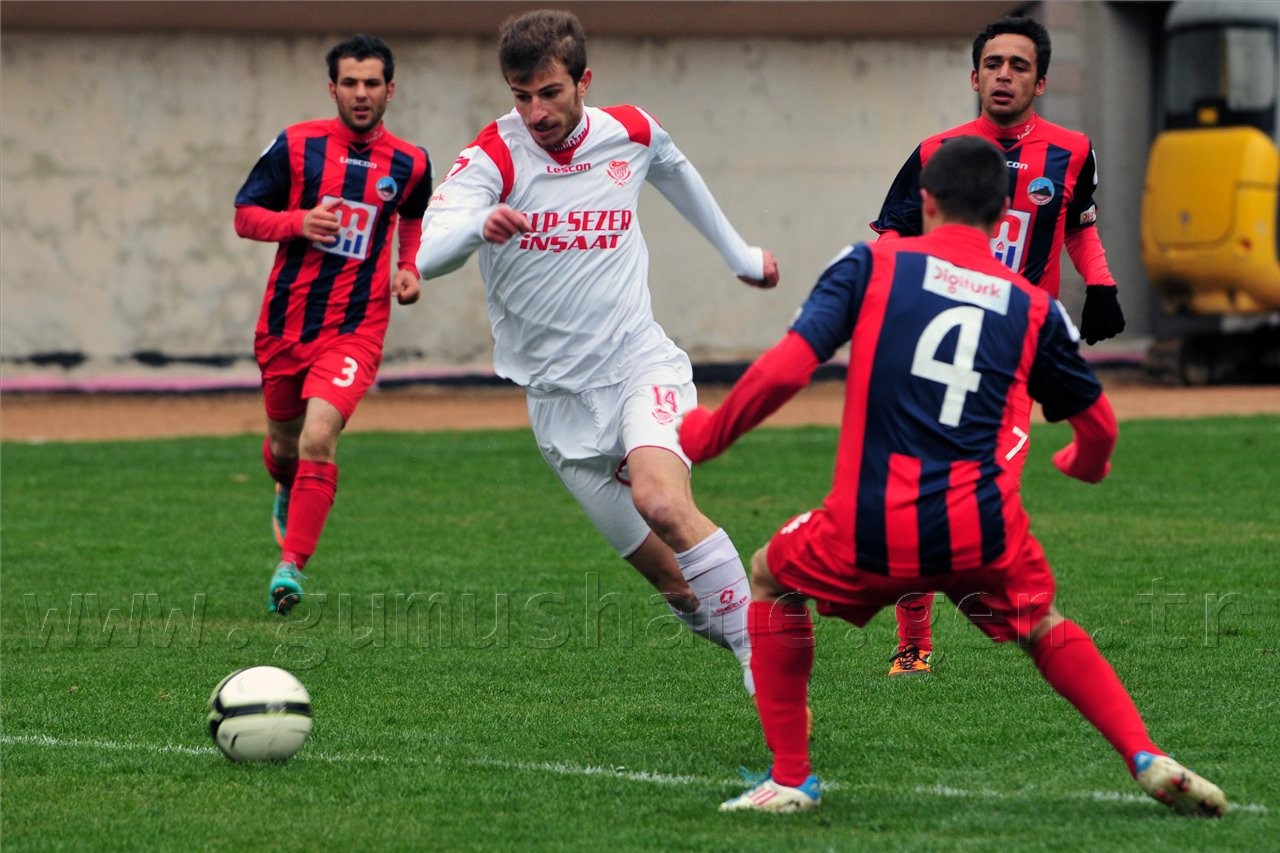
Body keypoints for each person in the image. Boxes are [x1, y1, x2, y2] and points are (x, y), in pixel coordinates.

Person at [680, 136, 1227, 816]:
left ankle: (792, 777)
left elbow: (790, 367)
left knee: (768, 575)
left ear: (926, 203)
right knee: (1042, 623)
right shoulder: (1031, 306)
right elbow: (1099, 426)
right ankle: (1144, 753)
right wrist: (1086, 464)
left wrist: (703, 437)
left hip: (871, 526)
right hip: (981, 530)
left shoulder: (869, 265)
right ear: (1002, 216)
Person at [416, 9, 778, 694]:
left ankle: (768, 677)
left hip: (640, 367)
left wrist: (741, 255)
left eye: (550, 92)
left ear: (585, 82)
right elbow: (426, 254)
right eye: (520, 95)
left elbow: (675, 171)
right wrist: (475, 227)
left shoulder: (629, 131)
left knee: (662, 503)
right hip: (557, 410)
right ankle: (763, 624)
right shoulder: (492, 157)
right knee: (679, 589)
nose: (535, 111)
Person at [870, 14, 1127, 676]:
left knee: (977, 484)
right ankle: (917, 637)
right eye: (993, 65)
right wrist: (904, 288)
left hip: (1017, 345)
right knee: (919, 485)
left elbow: (1078, 224)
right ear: (974, 75)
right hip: (940, 342)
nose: (1003, 75)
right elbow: (893, 233)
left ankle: (1007, 607)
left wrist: (1100, 285)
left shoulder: (1071, 150)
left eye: (1018, 66)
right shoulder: (937, 152)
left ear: (1041, 81)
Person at [234, 34, 432, 615]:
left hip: (355, 328)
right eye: (351, 83)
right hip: (285, 324)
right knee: (283, 444)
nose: (362, 93)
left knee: (320, 437)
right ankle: (284, 483)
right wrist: (299, 222)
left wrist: (408, 267)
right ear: (334, 88)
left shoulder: (411, 161)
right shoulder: (296, 146)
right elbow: (245, 215)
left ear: (389, 89)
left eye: (373, 83)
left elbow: (414, 217)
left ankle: (290, 567)